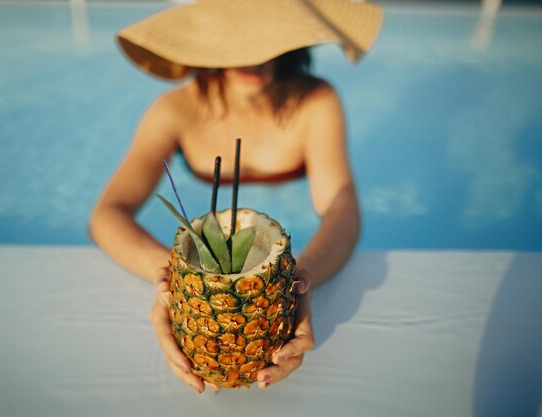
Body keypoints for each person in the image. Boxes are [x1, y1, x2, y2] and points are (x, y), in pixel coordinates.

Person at [89, 0, 382, 393]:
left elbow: (341, 204)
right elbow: (108, 213)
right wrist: (179, 281)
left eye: (267, 37)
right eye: (238, 38)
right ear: (208, 41)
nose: (255, 55)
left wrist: (299, 277)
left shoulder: (316, 102)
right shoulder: (175, 110)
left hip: (282, 254)